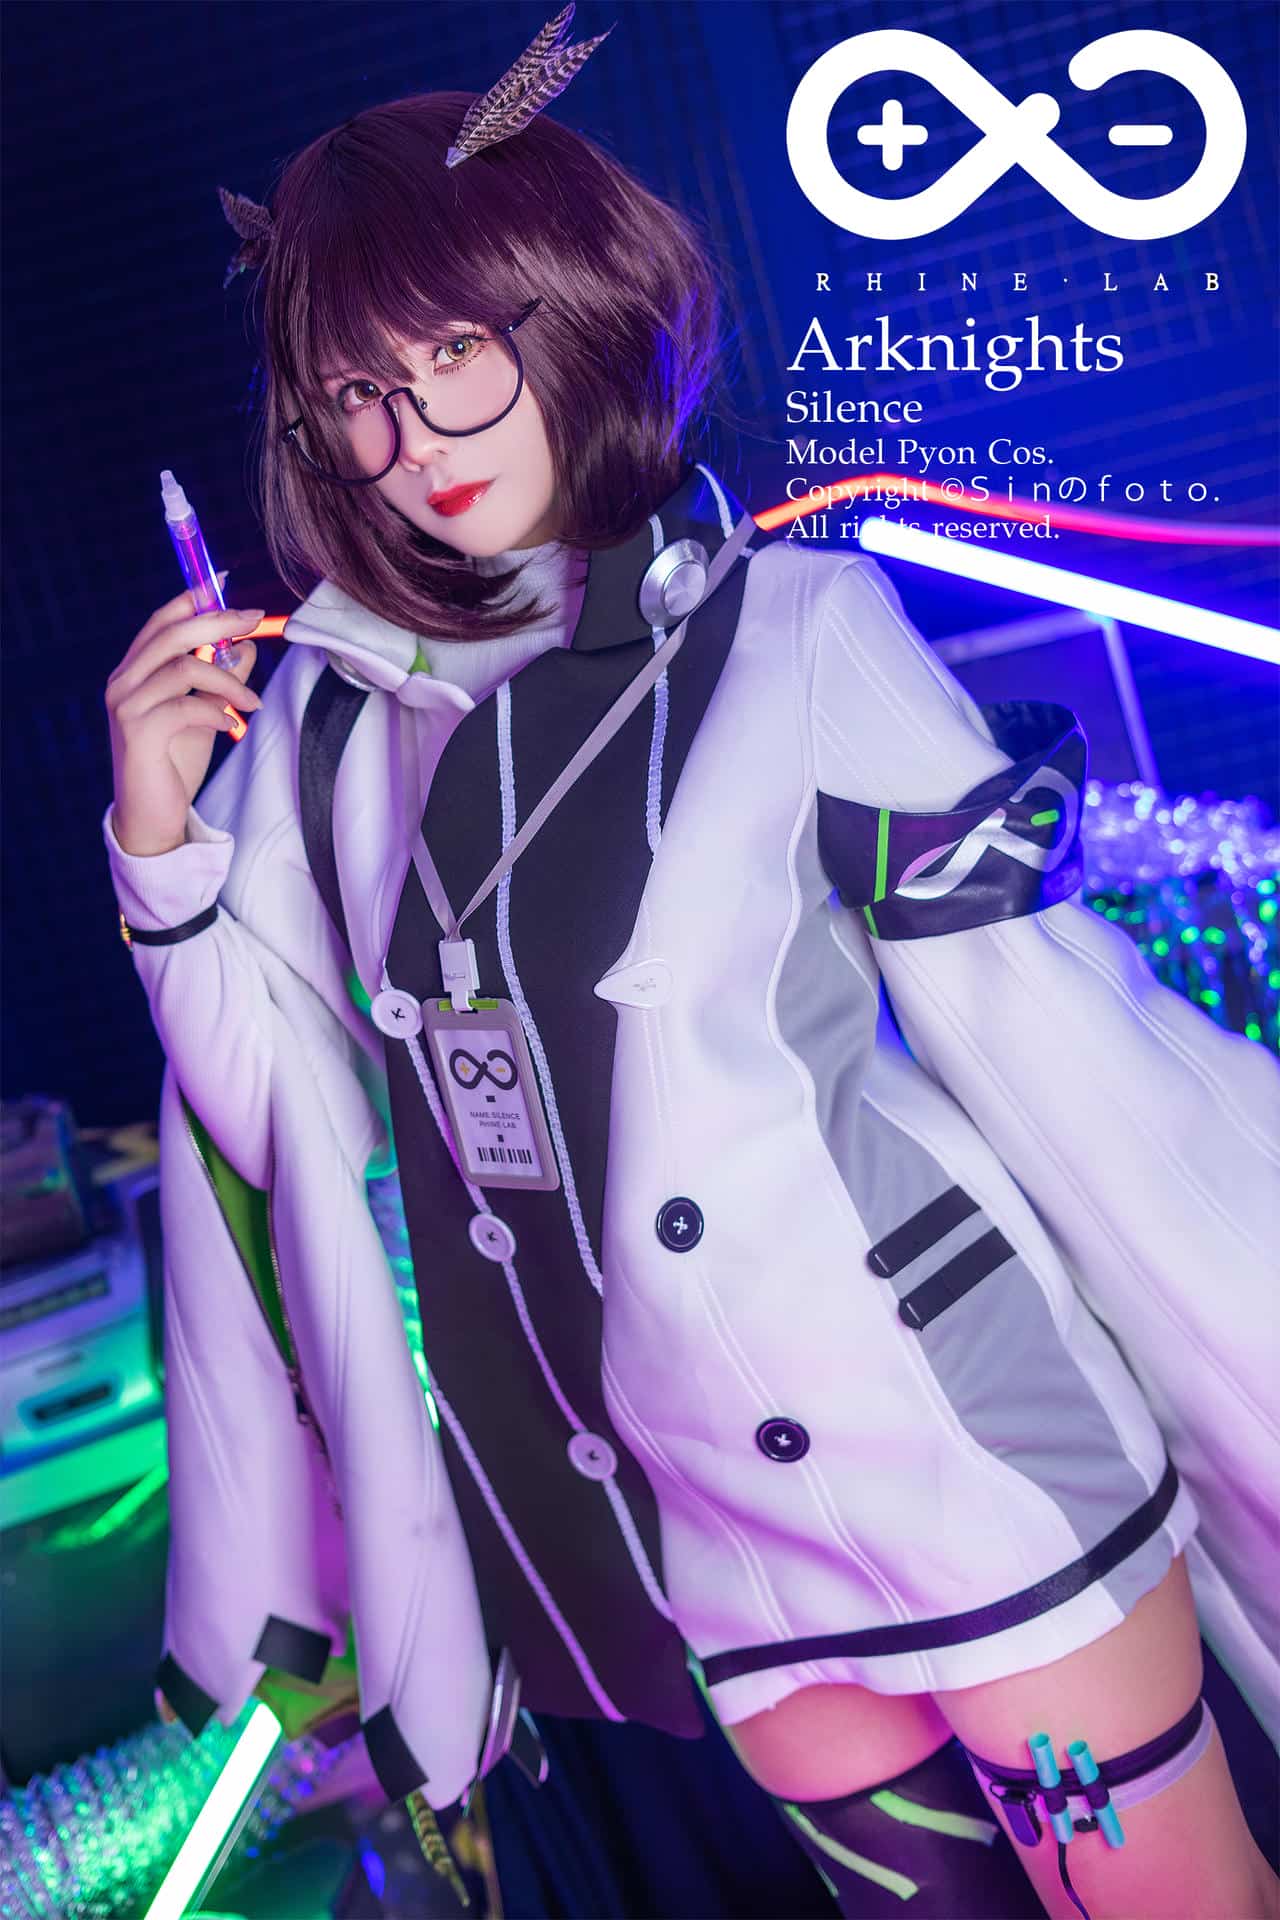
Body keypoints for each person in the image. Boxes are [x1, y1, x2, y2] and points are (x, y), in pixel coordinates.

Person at [102, 9, 1279, 1917]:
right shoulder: (332, 719)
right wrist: (161, 850)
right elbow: (282, 1108)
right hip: (703, 1535)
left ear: (568, 306)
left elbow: (1052, 1030)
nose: (416, 442)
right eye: (358, 395)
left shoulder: (796, 626)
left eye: (456, 354)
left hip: (962, 1449)